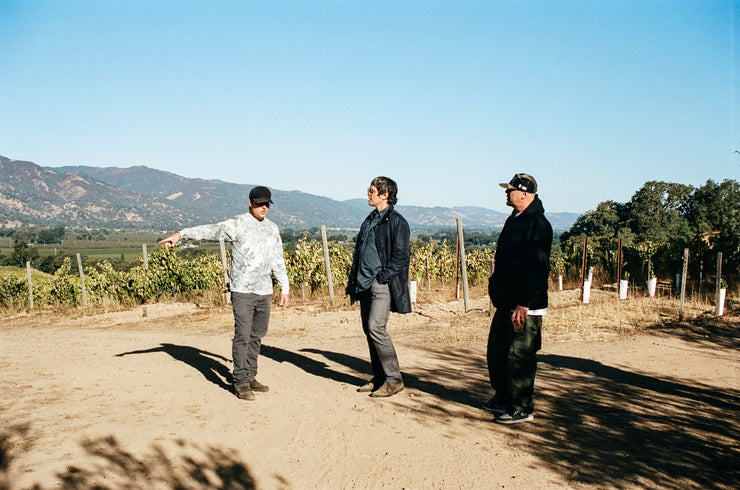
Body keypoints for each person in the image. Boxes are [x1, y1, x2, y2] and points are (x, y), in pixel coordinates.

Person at [158, 185, 290, 401]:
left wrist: (284, 287)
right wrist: (181, 234)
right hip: (242, 291)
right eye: (259, 204)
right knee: (243, 335)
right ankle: (240, 382)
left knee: (257, 335)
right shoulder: (237, 224)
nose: (263, 208)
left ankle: (250, 375)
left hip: (265, 290)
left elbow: (278, 259)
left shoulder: (272, 228)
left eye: (267, 204)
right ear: (250, 203)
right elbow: (210, 230)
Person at [485, 173, 552, 424]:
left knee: (519, 356)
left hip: (525, 307)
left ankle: (522, 406)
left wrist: (525, 302)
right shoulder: (514, 219)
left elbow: (538, 268)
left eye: (510, 189)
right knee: (497, 353)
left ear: (524, 193)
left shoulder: (538, 224)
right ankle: (503, 397)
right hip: (506, 303)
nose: (506, 193)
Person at [346, 176, 411, 398]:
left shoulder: (396, 221)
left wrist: (381, 278)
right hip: (363, 284)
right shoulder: (371, 218)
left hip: (380, 285)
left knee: (376, 328)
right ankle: (380, 377)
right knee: (369, 331)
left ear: (385, 195)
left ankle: (394, 380)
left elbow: (401, 257)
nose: (368, 193)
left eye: (372, 190)